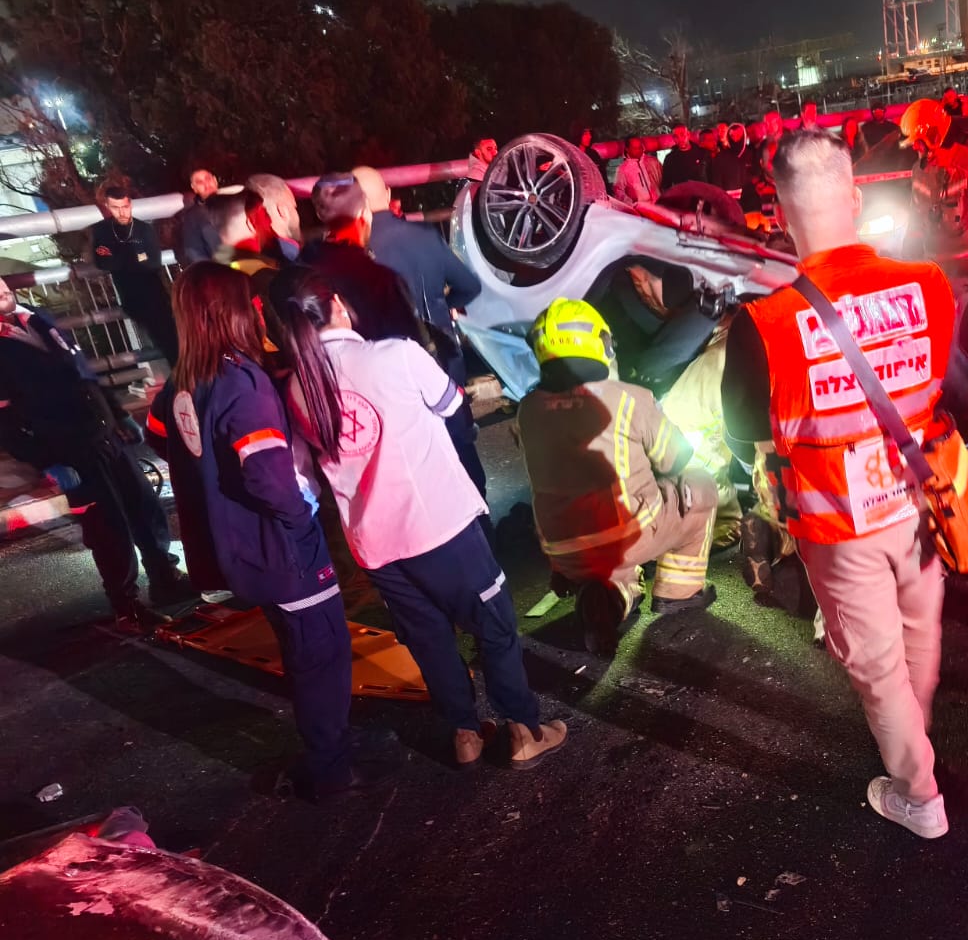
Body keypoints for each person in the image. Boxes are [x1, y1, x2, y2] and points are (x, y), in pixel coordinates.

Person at [721, 128, 958, 839]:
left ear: (782, 215)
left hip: (837, 523)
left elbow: (739, 428)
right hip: (923, 503)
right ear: (855, 197)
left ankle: (920, 796)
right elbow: (943, 383)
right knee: (920, 635)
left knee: (876, 664)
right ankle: (915, 741)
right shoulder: (929, 285)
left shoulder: (765, 322)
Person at [267, 266, 566, 769]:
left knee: (430, 642)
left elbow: (304, 474)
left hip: (377, 547)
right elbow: (451, 404)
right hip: (440, 529)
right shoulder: (397, 355)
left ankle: (464, 734)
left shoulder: (297, 387)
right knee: (494, 626)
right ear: (338, 303)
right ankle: (522, 727)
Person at [153, 262, 381, 800]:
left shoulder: (184, 379)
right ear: (235, 311)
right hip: (281, 548)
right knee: (321, 654)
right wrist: (300, 520)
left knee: (303, 649)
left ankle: (326, 747)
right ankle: (330, 767)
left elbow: (160, 434)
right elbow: (266, 475)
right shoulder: (242, 382)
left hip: (239, 547)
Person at [517, 298, 716, 655]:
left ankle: (610, 598)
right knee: (700, 486)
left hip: (563, 550)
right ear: (604, 344)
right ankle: (678, 592)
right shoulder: (631, 398)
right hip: (626, 536)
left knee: (609, 562)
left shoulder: (528, 408)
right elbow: (677, 459)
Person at [0, 275, 192, 631]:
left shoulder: (38, 318)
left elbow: (84, 373)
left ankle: (165, 576)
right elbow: (4, 423)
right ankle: (126, 605)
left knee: (143, 505)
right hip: (69, 449)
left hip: (104, 433)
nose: (2, 290)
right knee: (107, 527)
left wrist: (117, 415)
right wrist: (46, 461)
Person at [353, 166, 489, 501]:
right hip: (444, 355)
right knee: (462, 445)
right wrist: (448, 306)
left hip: (395, 375)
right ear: (387, 193)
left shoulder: (358, 254)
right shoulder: (426, 236)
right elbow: (469, 286)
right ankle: (486, 527)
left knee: (423, 459)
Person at [300, 174, 429, 347]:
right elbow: (417, 346)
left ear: (320, 214)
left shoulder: (303, 266)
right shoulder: (383, 278)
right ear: (363, 210)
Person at [898, 98, 968, 281]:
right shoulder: (919, 170)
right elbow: (917, 213)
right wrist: (910, 247)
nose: (915, 147)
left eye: (918, 142)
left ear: (934, 136)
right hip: (934, 266)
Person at [86, 185, 179, 366]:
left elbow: (153, 261)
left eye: (125, 207)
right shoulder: (101, 230)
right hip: (131, 296)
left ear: (130, 205)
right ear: (107, 206)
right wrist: (136, 257)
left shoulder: (144, 228)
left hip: (155, 294)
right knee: (164, 340)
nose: (122, 212)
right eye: (115, 207)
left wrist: (119, 257)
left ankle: (186, 377)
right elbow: (103, 261)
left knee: (172, 338)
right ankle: (184, 377)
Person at [177, 168, 222, 267]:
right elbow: (193, 251)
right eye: (200, 182)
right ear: (194, 188)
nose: (206, 184)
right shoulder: (192, 217)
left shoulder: (235, 203)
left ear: (215, 180)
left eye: (208, 179)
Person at [613, 136, 662, 205]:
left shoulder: (653, 161)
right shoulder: (622, 169)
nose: (638, 150)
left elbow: (663, 181)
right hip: (640, 209)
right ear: (627, 149)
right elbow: (618, 191)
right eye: (635, 148)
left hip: (658, 204)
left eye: (640, 147)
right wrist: (632, 204)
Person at [661, 124, 707, 190]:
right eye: (676, 136)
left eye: (682, 135)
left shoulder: (701, 152)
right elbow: (666, 184)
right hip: (682, 196)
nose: (680, 139)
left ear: (688, 134)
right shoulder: (670, 159)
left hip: (702, 193)